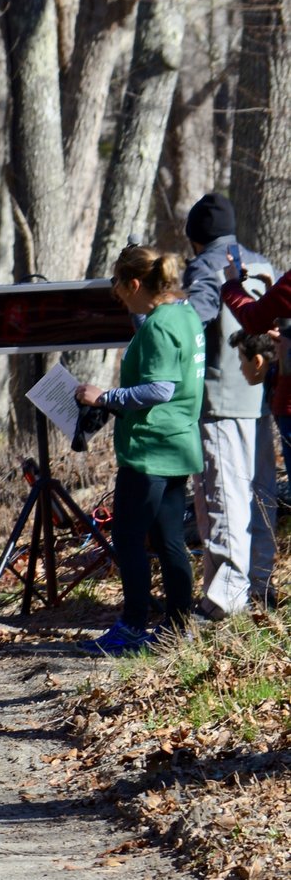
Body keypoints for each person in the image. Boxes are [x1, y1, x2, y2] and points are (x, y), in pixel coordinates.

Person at [81, 246, 205, 653]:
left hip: (150, 449)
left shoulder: (158, 326)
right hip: (176, 444)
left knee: (129, 538)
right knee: (169, 538)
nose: (116, 293)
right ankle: (178, 627)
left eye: (118, 285)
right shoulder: (183, 315)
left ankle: (133, 627)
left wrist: (104, 397)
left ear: (135, 284)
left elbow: (160, 388)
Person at [181, 195, 277, 617]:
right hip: (258, 396)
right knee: (260, 496)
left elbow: (193, 322)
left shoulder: (205, 267)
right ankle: (259, 586)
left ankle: (224, 602)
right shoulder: (262, 263)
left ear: (195, 239)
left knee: (223, 499)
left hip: (218, 399)